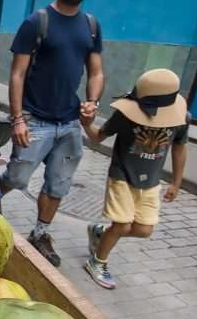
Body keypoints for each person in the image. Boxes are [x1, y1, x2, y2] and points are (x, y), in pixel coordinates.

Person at [0, 0, 104, 266]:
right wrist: (17, 119)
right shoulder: (37, 22)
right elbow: (16, 74)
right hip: (35, 121)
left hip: (70, 124)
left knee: (58, 186)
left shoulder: (92, 26)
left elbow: (96, 71)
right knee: (16, 178)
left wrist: (92, 103)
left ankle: (40, 233)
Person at [80, 69, 189, 289]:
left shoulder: (181, 118)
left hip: (151, 182)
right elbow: (97, 137)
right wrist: (85, 122)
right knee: (121, 225)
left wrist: (176, 182)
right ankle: (97, 262)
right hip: (122, 175)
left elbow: (179, 148)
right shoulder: (126, 114)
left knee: (144, 230)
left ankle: (100, 233)